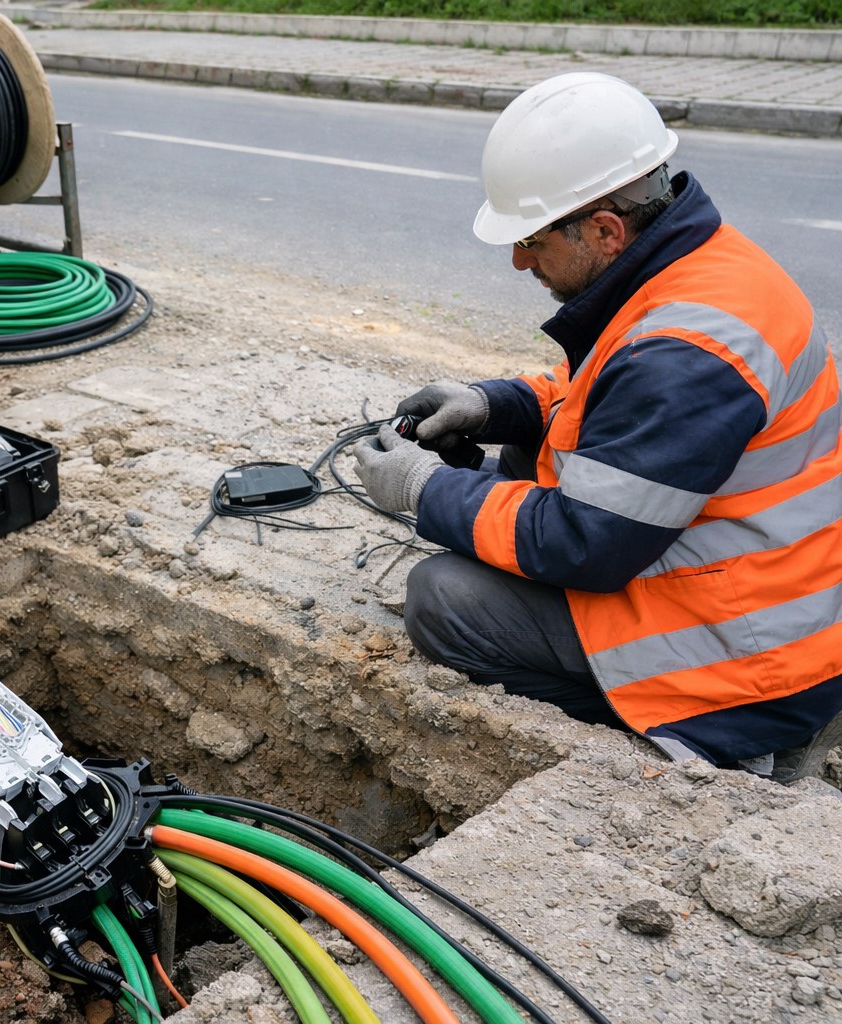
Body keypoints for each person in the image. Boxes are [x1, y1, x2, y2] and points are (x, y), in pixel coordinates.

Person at [351, 71, 842, 784]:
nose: (520, 260)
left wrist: (424, 492)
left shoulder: (683, 356)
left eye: (531, 241)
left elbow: (583, 540)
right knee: (525, 455)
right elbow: (606, 405)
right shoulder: (703, 267)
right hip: (762, 577)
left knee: (444, 601)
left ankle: (714, 740)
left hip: (752, 660)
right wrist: (494, 404)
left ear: (606, 230)